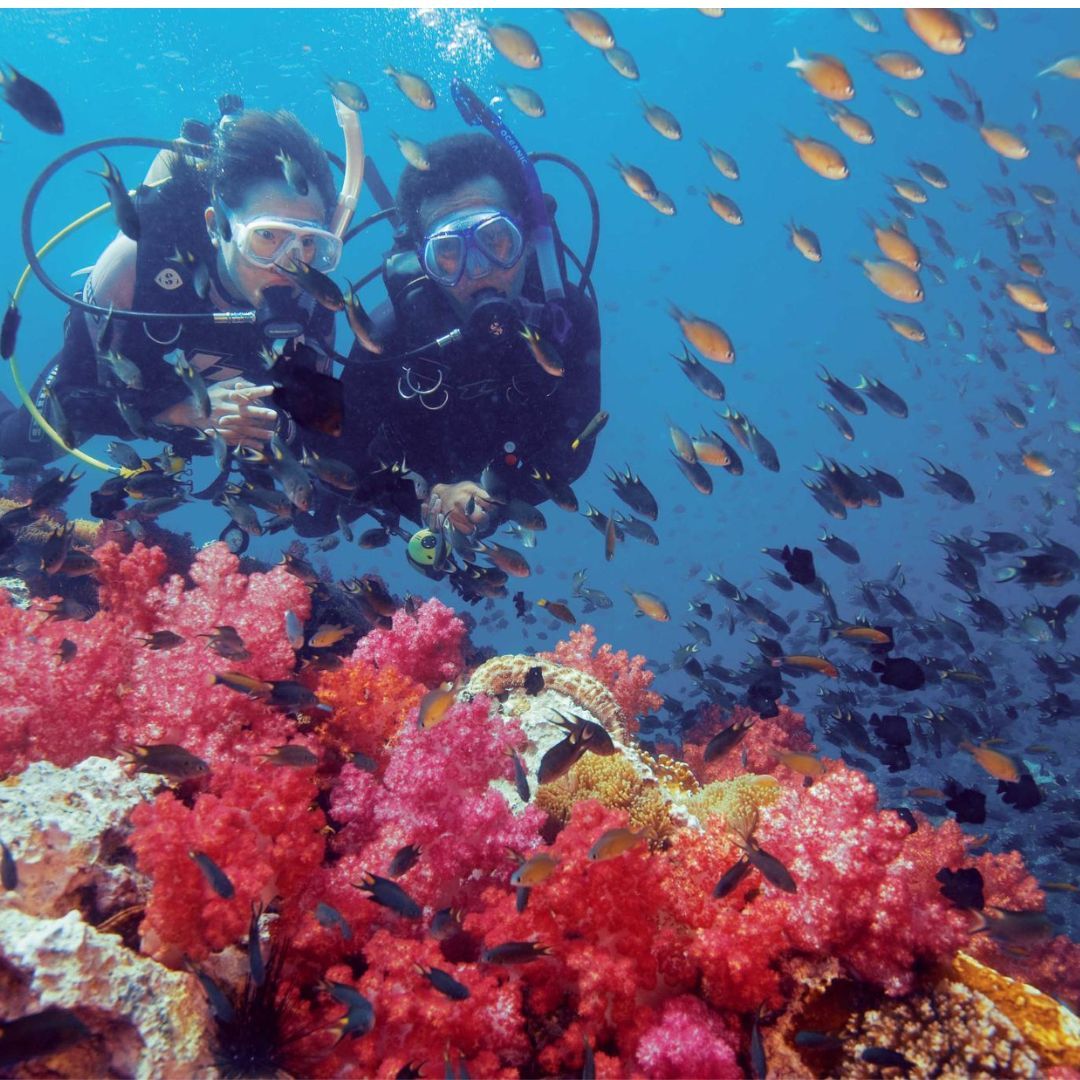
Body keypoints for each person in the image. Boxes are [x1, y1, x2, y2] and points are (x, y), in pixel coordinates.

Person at [0, 100, 348, 463]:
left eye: (308, 242)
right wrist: (184, 411)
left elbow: (316, 423)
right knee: (18, 449)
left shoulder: (315, 295)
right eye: (267, 237)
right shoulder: (135, 263)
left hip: (220, 420)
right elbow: (72, 400)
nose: (288, 264)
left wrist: (275, 430)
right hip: (131, 382)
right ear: (217, 226)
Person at [324, 128, 601, 550]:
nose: (478, 271)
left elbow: (574, 449)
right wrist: (425, 499)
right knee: (317, 519)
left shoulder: (567, 320)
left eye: (496, 240)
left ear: (526, 240)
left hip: (512, 481)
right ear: (422, 262)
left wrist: (500, 499)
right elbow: (348, 455)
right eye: (449, 253)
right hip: (421, 471)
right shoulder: (388, 337)